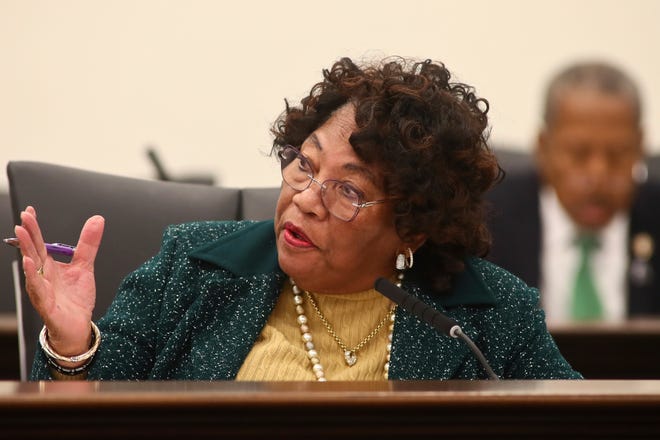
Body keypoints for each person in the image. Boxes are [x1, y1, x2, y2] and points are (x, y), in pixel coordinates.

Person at [15, 56, 581, 381]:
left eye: (348, 191)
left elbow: (580, 422)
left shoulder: (487, 316)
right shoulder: (191, 270)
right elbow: (84, 418)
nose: (307, 198)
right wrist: (71, 346)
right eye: (304, 166)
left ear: (413, 226)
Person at [487, 61, 660, 323]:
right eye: (579, 154)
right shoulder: (487, 221)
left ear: (639, 147)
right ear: (543, 147)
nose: (597, 175)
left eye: (617, 155)